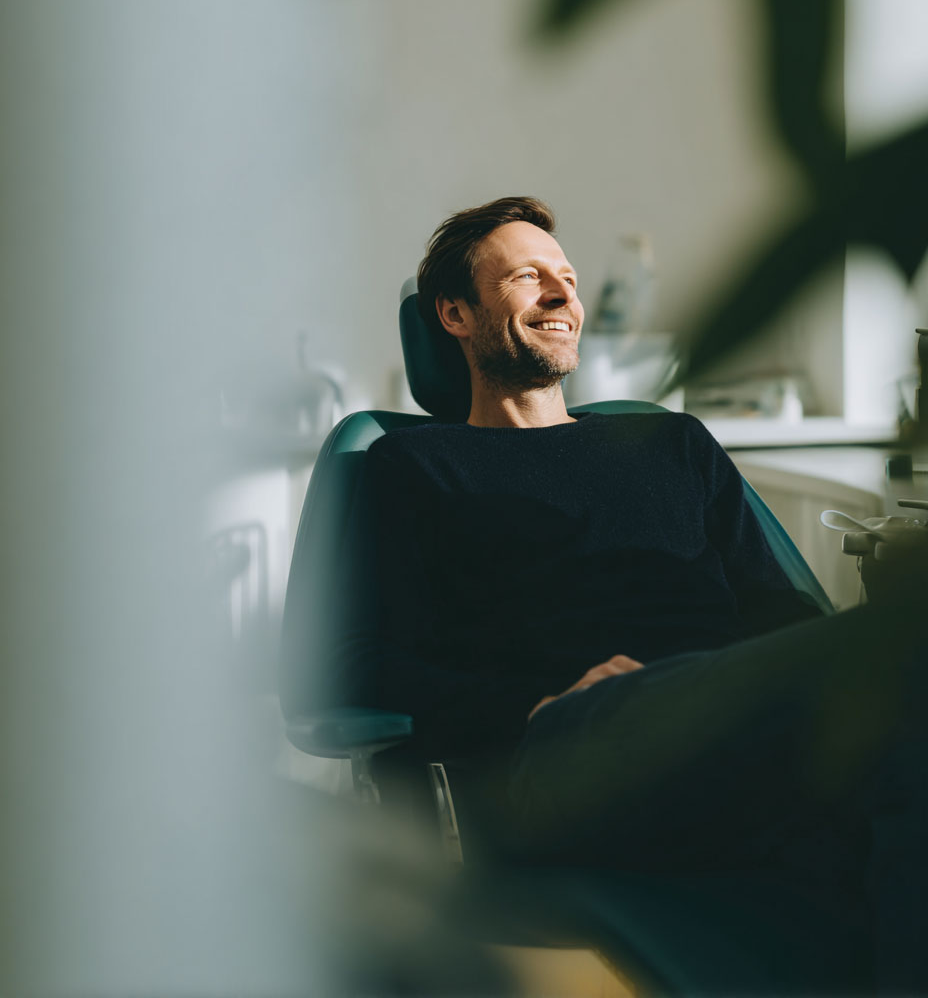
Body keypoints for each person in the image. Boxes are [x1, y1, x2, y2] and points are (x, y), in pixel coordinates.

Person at [332, 196, 928, 993]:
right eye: (526, 276)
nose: (562, 295)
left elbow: (789, 618)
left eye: (568, 279)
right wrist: (532, 705)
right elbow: (354, 666)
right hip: (578, 748)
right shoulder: (412, 467)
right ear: (454, 314)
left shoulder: (671, 443)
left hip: (732, 721)